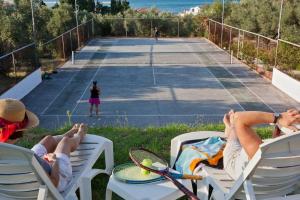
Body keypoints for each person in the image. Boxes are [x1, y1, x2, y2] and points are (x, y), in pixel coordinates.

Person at [0, 98, 88, 192]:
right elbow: (53, 184)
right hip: (55, 181)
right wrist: (54, 162)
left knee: (48, 139)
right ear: (21, 131)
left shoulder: (12, 154)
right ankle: (79, 135)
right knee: (65, 142)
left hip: (23, 183)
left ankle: (64, 136)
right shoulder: (25, 158)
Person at [222, 109, 300, 180]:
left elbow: (238, 117)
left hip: (237, 167)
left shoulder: (260, 151)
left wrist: (279, 117)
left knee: (233, 141)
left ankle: (231, 128)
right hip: (282, 187)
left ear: (278, 131)